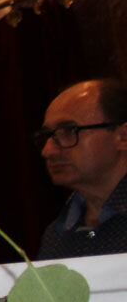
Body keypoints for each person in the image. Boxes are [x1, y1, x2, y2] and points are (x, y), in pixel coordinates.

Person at [37, 77, 127, 258]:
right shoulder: (56, 234)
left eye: (70, 131)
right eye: (48, 136)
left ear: (123, 137)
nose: (48, 151)